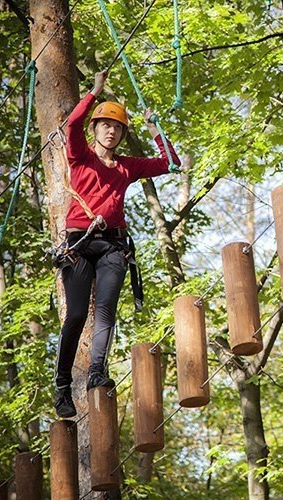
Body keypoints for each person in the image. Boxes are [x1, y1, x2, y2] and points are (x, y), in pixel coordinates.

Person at [54, 71, 180, 418]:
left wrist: (155, 128)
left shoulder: (127, 167)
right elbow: (72, 124)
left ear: (123, 134)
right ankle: (62, 386)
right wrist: (93, 92)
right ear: (95, 130)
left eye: (118, 127)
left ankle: (97, 372)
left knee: (106, 310)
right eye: (105, 125)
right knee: (77, 314)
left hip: (112, 247)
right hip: (79, 245)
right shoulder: (81, 158)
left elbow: (171, 163)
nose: (111, 131)